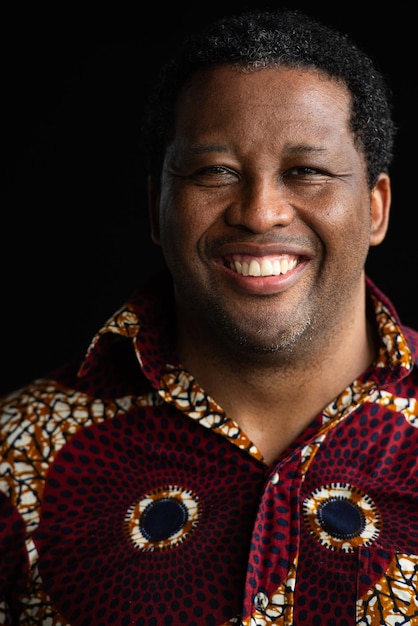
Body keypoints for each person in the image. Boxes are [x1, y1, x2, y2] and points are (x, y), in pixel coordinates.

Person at [1, 8, 417, 625]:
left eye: (306, 172)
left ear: (376, 209)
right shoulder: (17, 459)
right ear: (156, 207)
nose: (259, 212)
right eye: (213, 173)